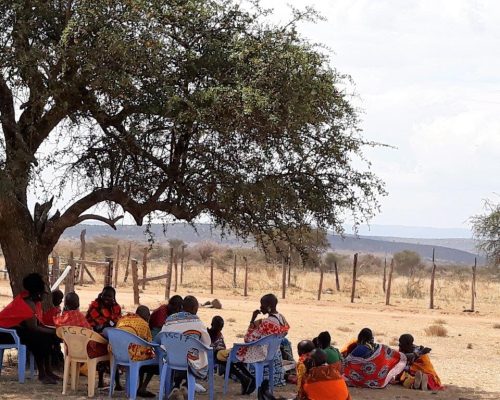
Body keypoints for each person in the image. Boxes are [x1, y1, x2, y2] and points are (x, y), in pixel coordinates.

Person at [0, 273, 60, 384]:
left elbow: (38, 324)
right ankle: (42, 374)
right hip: (4, 333)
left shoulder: (33, 301)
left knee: (48, 337)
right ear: (38, 292)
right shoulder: (27, 303)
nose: (44, 296)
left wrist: (54, 331)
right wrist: (54, 331)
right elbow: (33, 327)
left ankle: (48, 370)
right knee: (38, 338)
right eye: (43, 293)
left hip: (15, 330)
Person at [237, 293, 290, 387]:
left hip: (262, 354)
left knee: (236, 353)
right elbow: (285, 332)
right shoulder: (281, 318)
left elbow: (247, 339)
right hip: (274, 353)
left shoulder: (266, 322)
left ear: (269, 307)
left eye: (262, 305)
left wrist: (252, 320)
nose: (260, 307)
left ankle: (248, 378)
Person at [161, 296, 211, 390]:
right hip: (190, 362)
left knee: (182, 351)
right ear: (193, 308)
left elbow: (162, 337)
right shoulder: (198, 323)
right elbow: (207, 343)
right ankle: (187, 386)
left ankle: (176, 386)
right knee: (198, 353)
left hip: (170, 359)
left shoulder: (170, 319)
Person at [342, 328, 406, 389]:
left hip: (363, 376)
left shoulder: (360, 348)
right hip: (376, 379)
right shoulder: (378, 347)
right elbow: (389, 352)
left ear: (360, 337)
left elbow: (347, 361)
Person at [85, 286, 122, 390]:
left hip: (111, 335)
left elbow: (118, 322)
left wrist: (109, 325)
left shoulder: (116, 307)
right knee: (108, 347)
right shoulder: (95, 305)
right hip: (95, 335)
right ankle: (102, 381)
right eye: (104, 295)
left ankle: (117, 382)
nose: (106, 298)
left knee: (114, 348)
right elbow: (95, 323)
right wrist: (107, 324)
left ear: (114, 297)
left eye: (109, 296)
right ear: (101, 294)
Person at [208, 315, 256, 395]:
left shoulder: (219, 334)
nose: (220, 329)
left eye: (221, 327)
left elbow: (223, 347)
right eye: (219, 327)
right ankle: (245, 378)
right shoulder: (208, 333)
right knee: (228, 360)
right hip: (213, 355)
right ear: (212, 324)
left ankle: (247, 378)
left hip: (221, 354)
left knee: (233, 359)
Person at [116, 305, 157, 398]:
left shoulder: (122, 319)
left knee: (141, 352)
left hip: (117, 353)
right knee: (154, 357)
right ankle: (142, 387)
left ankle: (135, 386)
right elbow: (148, 342)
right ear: (147, 316)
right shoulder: (144, 324)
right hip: (132, 355)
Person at [54, 292, 109, 358]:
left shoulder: (62, 318)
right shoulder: (79, 316)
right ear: (78, 304)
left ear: (65, 304)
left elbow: (57, 325)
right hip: (87, 352)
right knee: (108, 347)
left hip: (71, 351)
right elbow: (89, 332)